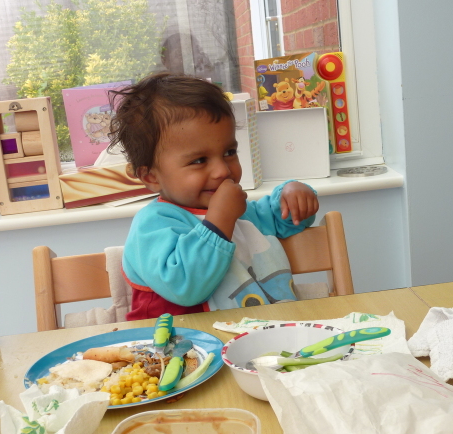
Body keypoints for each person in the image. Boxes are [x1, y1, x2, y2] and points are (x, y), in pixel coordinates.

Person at [108, 73, 319, 320]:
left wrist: (293, 194)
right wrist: (220, 220)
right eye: (199, 160)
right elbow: (185, 288)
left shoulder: (241, 212)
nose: (222, 171)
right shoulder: (152, 225)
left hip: (257, 334)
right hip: (175, 341)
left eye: (229, 152)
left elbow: (287, 218)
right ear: (151, 176)